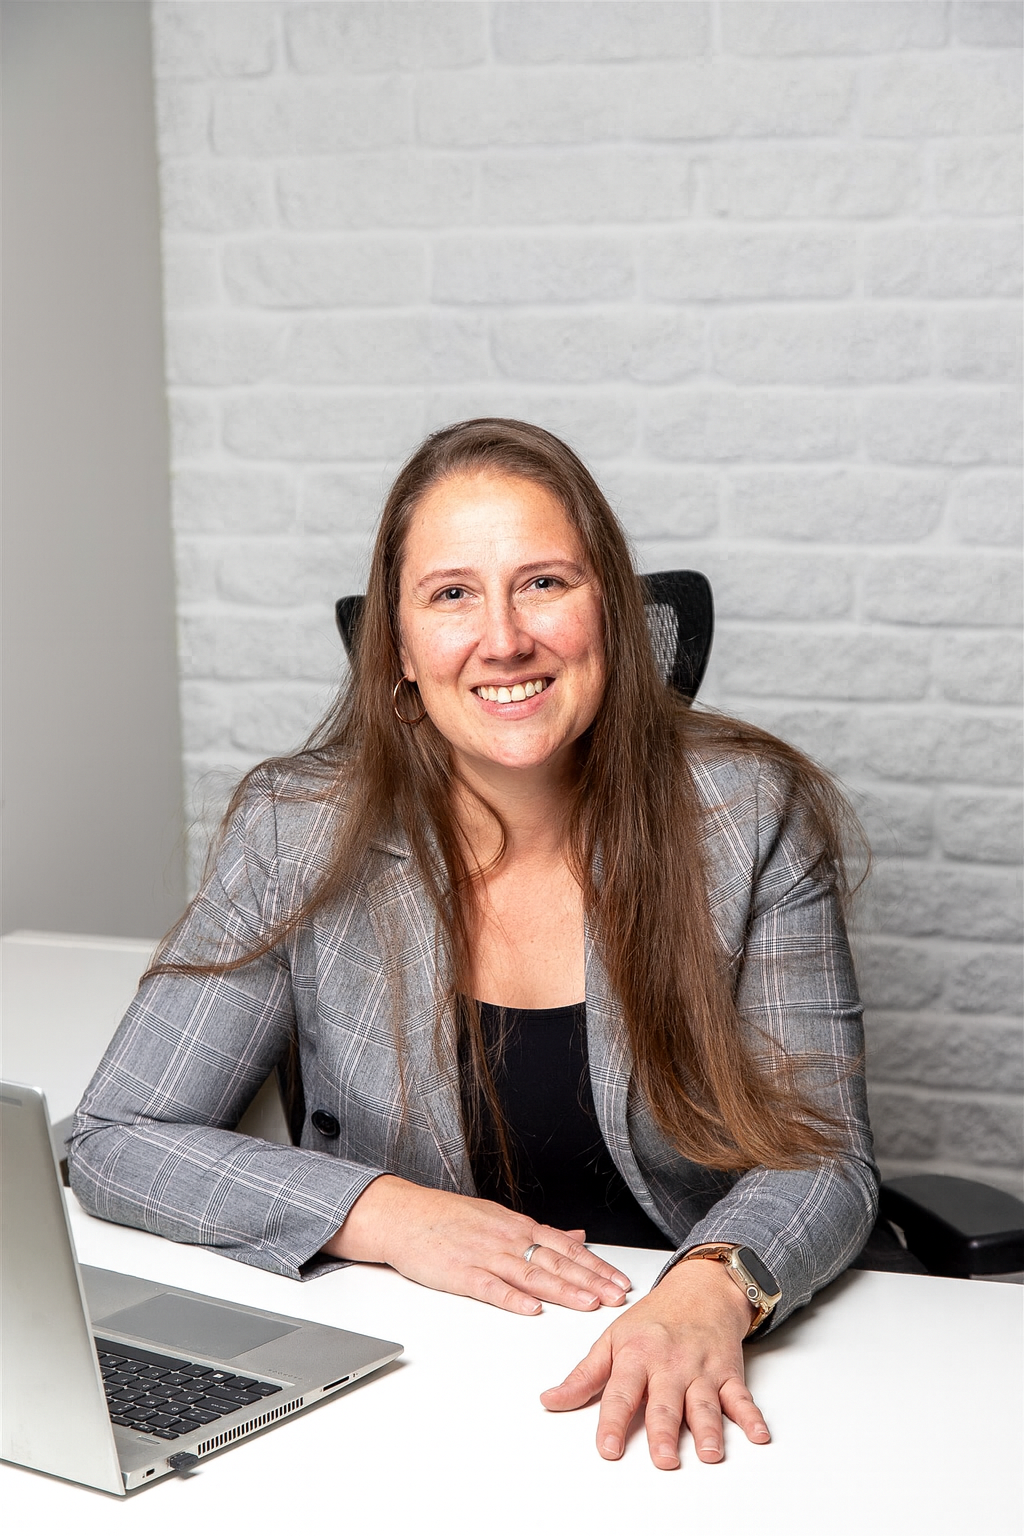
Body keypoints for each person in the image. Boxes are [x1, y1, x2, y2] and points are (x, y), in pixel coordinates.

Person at [70, 418, 878, 1472]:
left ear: (616, 618)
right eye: (452, 594)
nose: (502, 638)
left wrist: (714, 1283)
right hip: (421, 1370)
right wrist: (384, 1211)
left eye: (543, 582)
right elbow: (117, 1136)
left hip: (679, 1360)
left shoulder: (745, 813)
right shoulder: (298, 825)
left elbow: (821, 1151)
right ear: (400, 648)